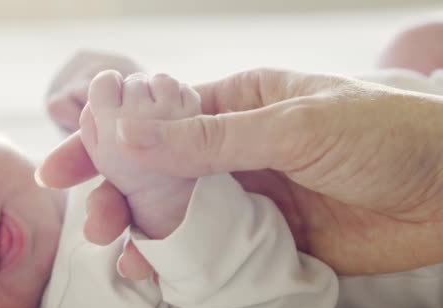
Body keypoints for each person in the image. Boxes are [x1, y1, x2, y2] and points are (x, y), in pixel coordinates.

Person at [39, 21, 443, 280]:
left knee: (414, 44)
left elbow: (116, 76)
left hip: (391, 132)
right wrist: (166, 195)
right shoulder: (80, 298)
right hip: (417, 244)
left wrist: (97, 81)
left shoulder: (57, 171)